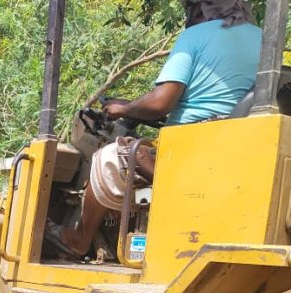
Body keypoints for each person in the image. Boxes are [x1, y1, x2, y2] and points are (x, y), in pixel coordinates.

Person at [45, 0, 262, 258]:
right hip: (240, 149)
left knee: (109, 158)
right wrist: (134, 106)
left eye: (190, 10)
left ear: (203, 8)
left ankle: (79, 240)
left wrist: (123, 110)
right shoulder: (264, 40)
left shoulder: (195, 36)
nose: (188, 18)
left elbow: (160, 102)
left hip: (191, 151)